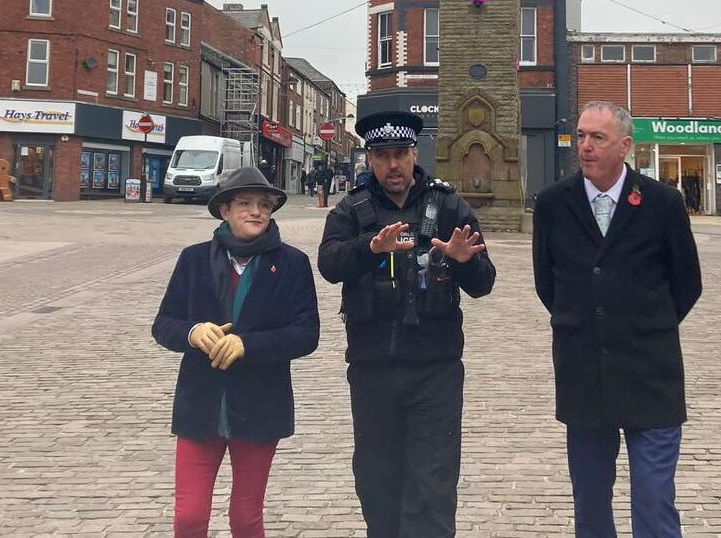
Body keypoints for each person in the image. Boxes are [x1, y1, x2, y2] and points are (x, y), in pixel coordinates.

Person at [318, 111, 496, 538]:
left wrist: (464, 262)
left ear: (415, 154)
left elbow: (484, 282)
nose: (393, 165)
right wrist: (370, 247)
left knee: (432, 484)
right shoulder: (351, 209)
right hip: (372, 369)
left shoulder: (449, 205)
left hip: (435, 368)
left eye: (401, 154)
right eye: (382, 156)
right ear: (370, 159)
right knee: (377, 482)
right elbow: (329, 264)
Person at [532, 101, 702, 538]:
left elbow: (687, 283)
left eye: (598, 138)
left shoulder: (662, 202)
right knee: (590, 502)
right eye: (582, 136)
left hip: (651, 373)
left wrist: (644, 324)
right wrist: (586, 321)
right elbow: (546, 283)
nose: (585, 147)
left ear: (625, 146)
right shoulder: (553, 204)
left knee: (653, 500)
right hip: (584, 374)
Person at [152, 166, 320, 538]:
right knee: (189, 517)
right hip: (200, 404)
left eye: (264, 204)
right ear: (225, 210)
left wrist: (249, 344)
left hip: (260, 405)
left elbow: (306, 334)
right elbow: (164, 324)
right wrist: (194, 332)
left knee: (245, 517)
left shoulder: (292, 264)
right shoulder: (194, 259)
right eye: (245, 203)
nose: (256, 212)